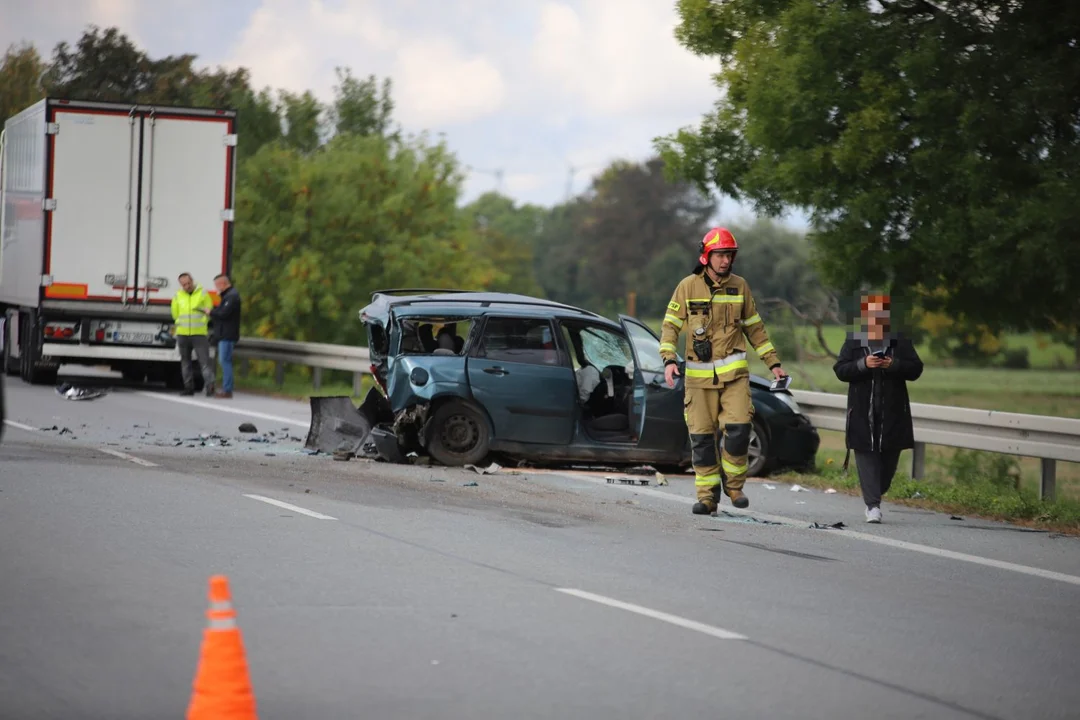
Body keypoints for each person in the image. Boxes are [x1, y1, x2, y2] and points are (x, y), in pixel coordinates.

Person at [660, 227, 787, 514]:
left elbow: (755, 328)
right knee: (703, 439)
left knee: (740, 429)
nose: (726, 261)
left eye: (729, 255)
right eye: (720, 255)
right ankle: (707, 497)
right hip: (699, 381)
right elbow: (670, 326)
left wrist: (774, 364)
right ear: (706, 257)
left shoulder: (740, 286)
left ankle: (734, 485)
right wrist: (668, 359)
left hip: (734, 378)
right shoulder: (687, 286)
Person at [833, 294, 924, 523]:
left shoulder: (900, 340)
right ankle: (872, 506)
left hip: (892, 414)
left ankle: (876, 492)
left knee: (887, 465)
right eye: (871, 314)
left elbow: (916, 369)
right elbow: (840, 370)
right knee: (866, 456)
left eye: (880, 313)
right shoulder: (855, 341)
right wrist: (862, 364)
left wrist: (894, 365)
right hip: (863, 413)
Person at [171, 272, 216, 397]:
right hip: (183, 334)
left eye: (188, 283)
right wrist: (179, 323)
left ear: (192, 281)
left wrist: (203, 322)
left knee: (204, 362)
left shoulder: (202, 293)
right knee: (185, 362)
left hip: (199, 334)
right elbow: (175, 313)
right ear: (181, 285)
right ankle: (188, 388)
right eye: (184, 284)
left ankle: (210, 387)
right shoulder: (178, 296)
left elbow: (209, 310)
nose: (187, 286)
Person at [207, 273, 241, 399]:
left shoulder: (232, 296)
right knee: (224, 361)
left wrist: (210, 312)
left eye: (217, 285)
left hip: (227, 334)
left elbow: (223, 313)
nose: (216, 288)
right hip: (224, 334)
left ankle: (227, 390)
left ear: (223, 283)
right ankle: (227, 389)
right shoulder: (227, 296)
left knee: (224, 361)